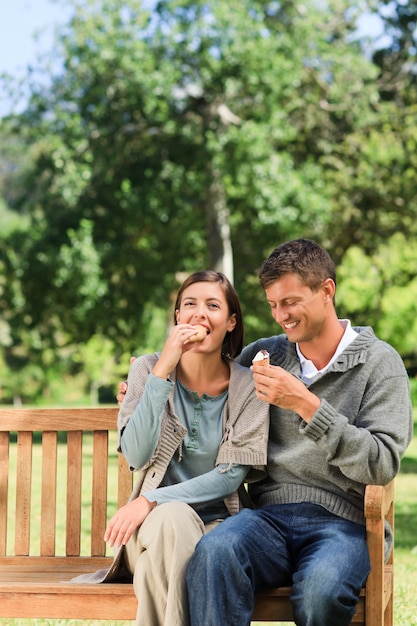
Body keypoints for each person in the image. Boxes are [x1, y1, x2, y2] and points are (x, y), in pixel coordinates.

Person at [185, 239, 413, 626]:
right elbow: (201, 386)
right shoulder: (265, 355)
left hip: (345, 523)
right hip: (266, 519)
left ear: (326, 290)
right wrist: (146, 384)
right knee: (214, 552)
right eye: (273, 305)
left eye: (290, 302)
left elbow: (381, 464)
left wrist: (305, 404)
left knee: (321, 591)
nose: (280, 316)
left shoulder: (380, 363)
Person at [100, 270, 269, 626]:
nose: (199, 314)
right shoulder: (147, 369)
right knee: (173, 518)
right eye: (189, 304)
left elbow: (230, 477)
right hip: (149, 530)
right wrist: (162, 369)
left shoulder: (248, 387)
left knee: (150, 572)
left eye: (212, 305)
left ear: (230, 322)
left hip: (218, 528)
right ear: (177, 317)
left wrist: (148, 500)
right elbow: (136, 454)